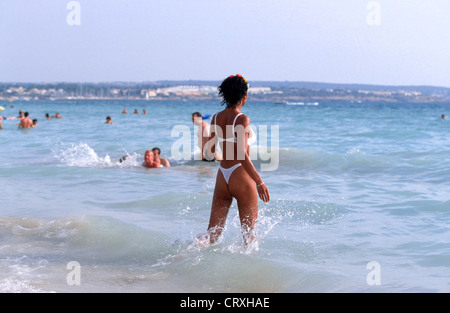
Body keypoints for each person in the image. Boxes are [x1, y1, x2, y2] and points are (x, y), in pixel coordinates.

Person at [195, 74, 270, 248]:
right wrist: (259, 182)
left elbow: (211, 152)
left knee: (212, 233)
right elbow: (242, 154)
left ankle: (188, 250)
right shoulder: (242, 119)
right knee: (249, 239)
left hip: (223, 175)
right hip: (241, 175)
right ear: (244, 96)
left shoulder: (215, 118)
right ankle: (248, 273)